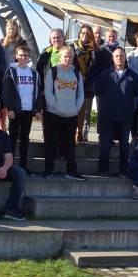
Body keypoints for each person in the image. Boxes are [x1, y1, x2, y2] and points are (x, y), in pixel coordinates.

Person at [95, 48, 138, 177]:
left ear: (125, 57)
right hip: (107, 116)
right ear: (112, 58)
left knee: (124, 145)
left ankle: (123, 170)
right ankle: (103, 169)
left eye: (121, 55)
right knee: (105, 144)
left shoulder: (133, 75)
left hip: (125, 116)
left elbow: (137, 92)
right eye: (116, 56)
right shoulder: (105, 74)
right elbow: (97, 91)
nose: (119, 58)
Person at [43, 46, 85, 180]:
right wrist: (55, 106)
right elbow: (48, 92)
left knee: (70, 145)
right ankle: (48, 170)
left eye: (70, 56)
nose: (68, 59)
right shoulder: (52, 71)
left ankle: (71, 171)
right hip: (54, 114)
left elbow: (81, 94)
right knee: (51, 143)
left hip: (71, 114)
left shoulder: (76, 73)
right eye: (65, 56)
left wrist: (76, 108)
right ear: (60, 57)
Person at [2, 45, 42, 175]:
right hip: (16, 110)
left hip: (29, 110)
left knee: (25, 138)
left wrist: (37, 109)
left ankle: (24, 165)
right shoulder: (11, 71)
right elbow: (6, 92)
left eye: (26, 55)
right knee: (12, 138)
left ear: (29, 57)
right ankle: (10, 165)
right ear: (16, 56)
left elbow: (38, 92)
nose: (23, 58)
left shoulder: (34, 73)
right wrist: (9, 108)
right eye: (20, 55)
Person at [71, 24, 102, 143]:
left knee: (84, 111)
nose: (85, 36)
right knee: (73, 109)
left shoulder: (95, 50)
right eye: (83, 33)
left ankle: (80, 133)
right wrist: (79, 75)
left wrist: (88, 77)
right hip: (73, 82)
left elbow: (96, 68)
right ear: (79, 34)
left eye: (88, 34)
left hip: (88, 84)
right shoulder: (72, 47)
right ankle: (72, 133)